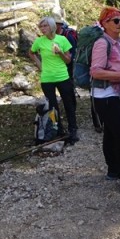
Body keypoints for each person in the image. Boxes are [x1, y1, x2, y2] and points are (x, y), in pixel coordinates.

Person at [90, 7, 120, 194]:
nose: (119, 24)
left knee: (111, 133)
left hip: (116, 94)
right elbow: (95, 71)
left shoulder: (116, 42)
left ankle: (113, 169)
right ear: (104, 23)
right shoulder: (102, 43)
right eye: (115, 21)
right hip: (105, 96)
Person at [29, 16, 79, 144]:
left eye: (45, 26)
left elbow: (68, 60)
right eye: (41, 26)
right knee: (52, 107)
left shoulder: (62, 39)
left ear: (52, 27)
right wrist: (39, 65)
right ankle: (58, 129)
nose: (42, 29)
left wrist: (60, 53)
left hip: (63, 77)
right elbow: (31, 52)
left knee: (69, 104)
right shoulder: (39, 41)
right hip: (47, 79)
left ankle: (73, 130)